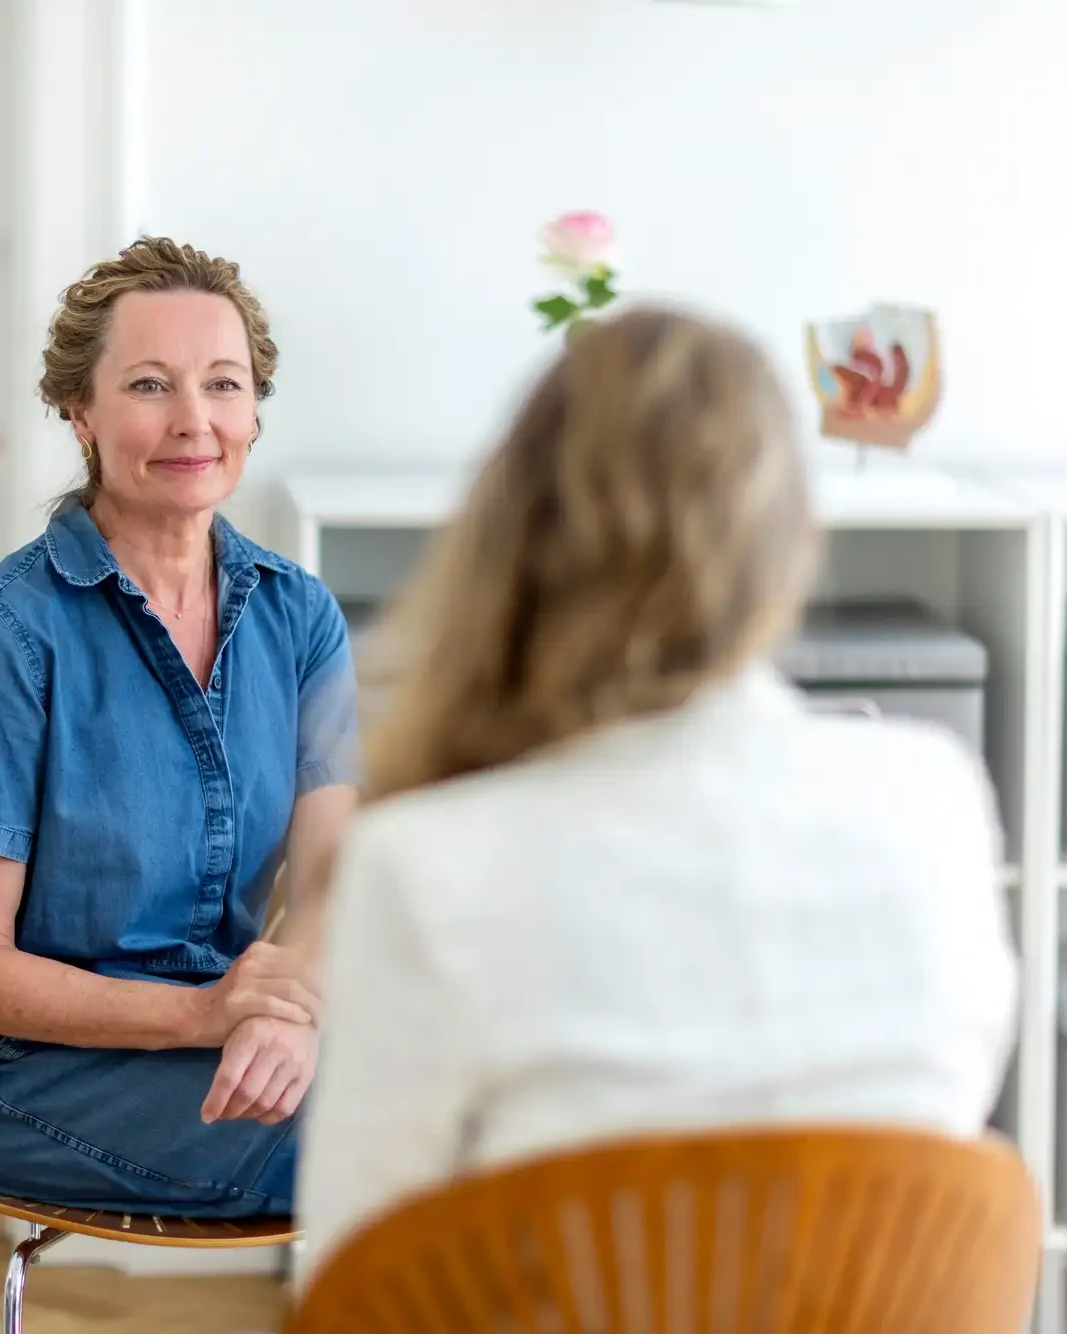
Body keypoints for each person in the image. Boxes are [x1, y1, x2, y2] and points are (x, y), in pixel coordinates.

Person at [295, 307, 1017, 1281]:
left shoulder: (428, 863)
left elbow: (355, 1276)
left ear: (515, 535)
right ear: (788, 537)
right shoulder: (934, 804)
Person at [0, 237, 357, 1216]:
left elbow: (329, 873)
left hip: (224, 1025)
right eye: (150, 385)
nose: (194, 421)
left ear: (254, 411)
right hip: (27, 1070)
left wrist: (290, 1005)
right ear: (80, 411)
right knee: (409, 1140)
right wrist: (210, 1011)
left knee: (490, 1084)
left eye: (223, 385)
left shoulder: (298, 614)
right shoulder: (6, 640)